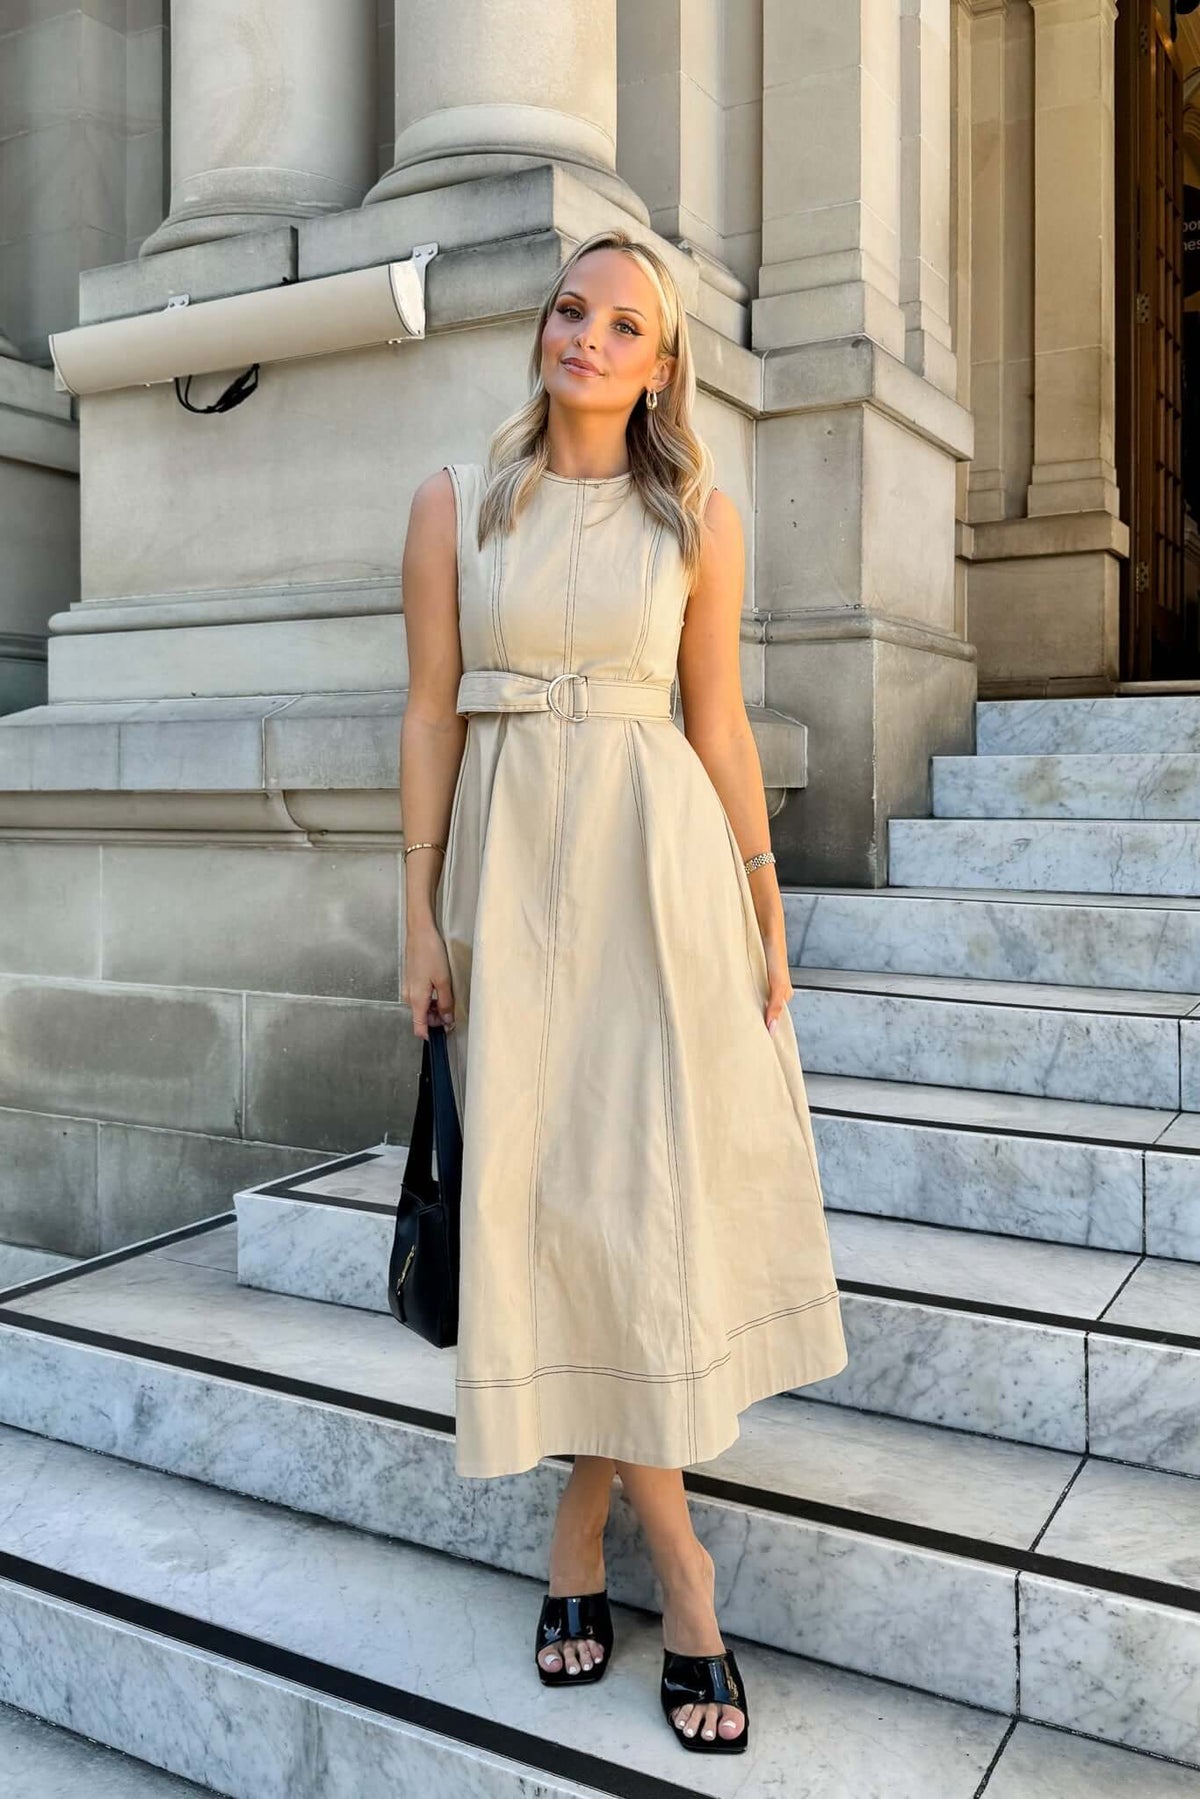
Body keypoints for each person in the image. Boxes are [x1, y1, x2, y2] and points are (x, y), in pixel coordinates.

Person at [399, 226, 848, 1755]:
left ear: (663, 365)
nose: (585, 336)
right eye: (571, 310)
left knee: (628, 1206)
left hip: (661, 885)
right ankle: (682, 1564)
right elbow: (426, 717)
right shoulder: (457, 505)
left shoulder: (702, 518)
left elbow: (716, 721)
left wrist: (764, 900)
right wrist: (417, 918)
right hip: (511, 885)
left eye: (623, 324)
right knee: (549, 1204)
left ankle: (597, 1540)